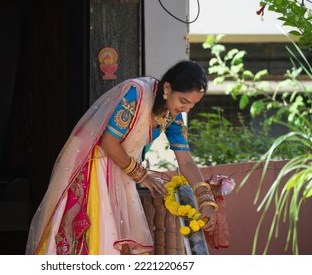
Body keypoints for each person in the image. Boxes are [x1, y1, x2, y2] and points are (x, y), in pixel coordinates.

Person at [26, 60, 218, 255]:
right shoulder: (137, 93)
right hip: (95, 168)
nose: (186, 109)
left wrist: (206, 200)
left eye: (192, 105)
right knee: (100, 239)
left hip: (122, 170)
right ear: (167, 88)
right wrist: (142, 176)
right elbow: (108, 142)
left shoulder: (173, 115)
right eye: (183, 101)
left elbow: (185, 160)